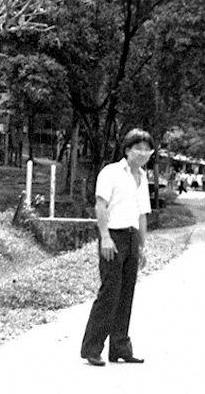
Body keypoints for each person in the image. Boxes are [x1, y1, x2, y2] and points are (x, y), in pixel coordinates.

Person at [80, 129, 154, 366]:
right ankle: (92, 348)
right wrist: (105, 237)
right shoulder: (111, 172)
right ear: (127, 150)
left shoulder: (142, 177)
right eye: (138, 148)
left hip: (132, 238)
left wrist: (142, 247)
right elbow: (100, 205)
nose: (143, 153)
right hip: (113, 235)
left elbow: (142, 215)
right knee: (110, 292)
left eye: (147, 149)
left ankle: (120, 347)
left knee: (126, 294)